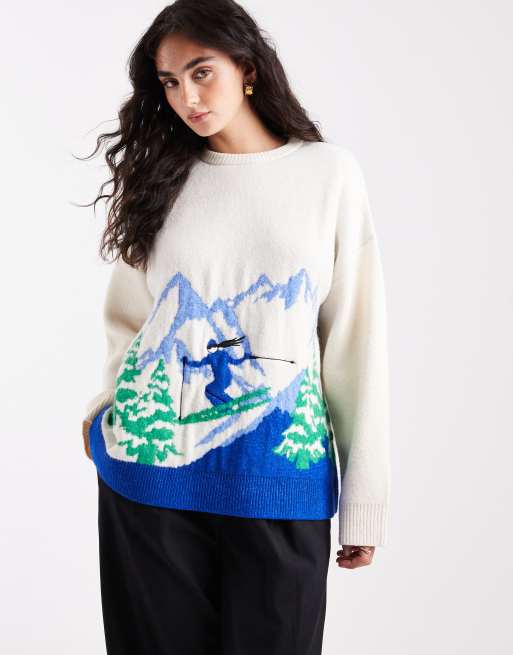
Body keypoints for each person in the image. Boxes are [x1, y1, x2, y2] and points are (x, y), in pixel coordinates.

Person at [80, 1, 391, 653]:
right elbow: (129, 319)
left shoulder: (328, 174)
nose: (187, 98)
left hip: (278, 482)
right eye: (169, 82)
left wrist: (363, 501)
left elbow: (354, 342)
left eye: (202, 72)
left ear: (247, 68)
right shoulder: (161, 179)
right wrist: (104, 406)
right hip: (148, 479)